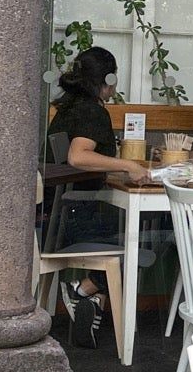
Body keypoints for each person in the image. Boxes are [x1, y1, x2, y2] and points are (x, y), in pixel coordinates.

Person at [46, 46, 151, 345]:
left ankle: (87, 299)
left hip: (55, 219)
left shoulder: (68, 108)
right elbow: (78, 157)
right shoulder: (92, 111)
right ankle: (84, 287)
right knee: (149, 235)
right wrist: (129, 165)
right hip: (76, 219)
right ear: (109, 78)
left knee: (136, 232)